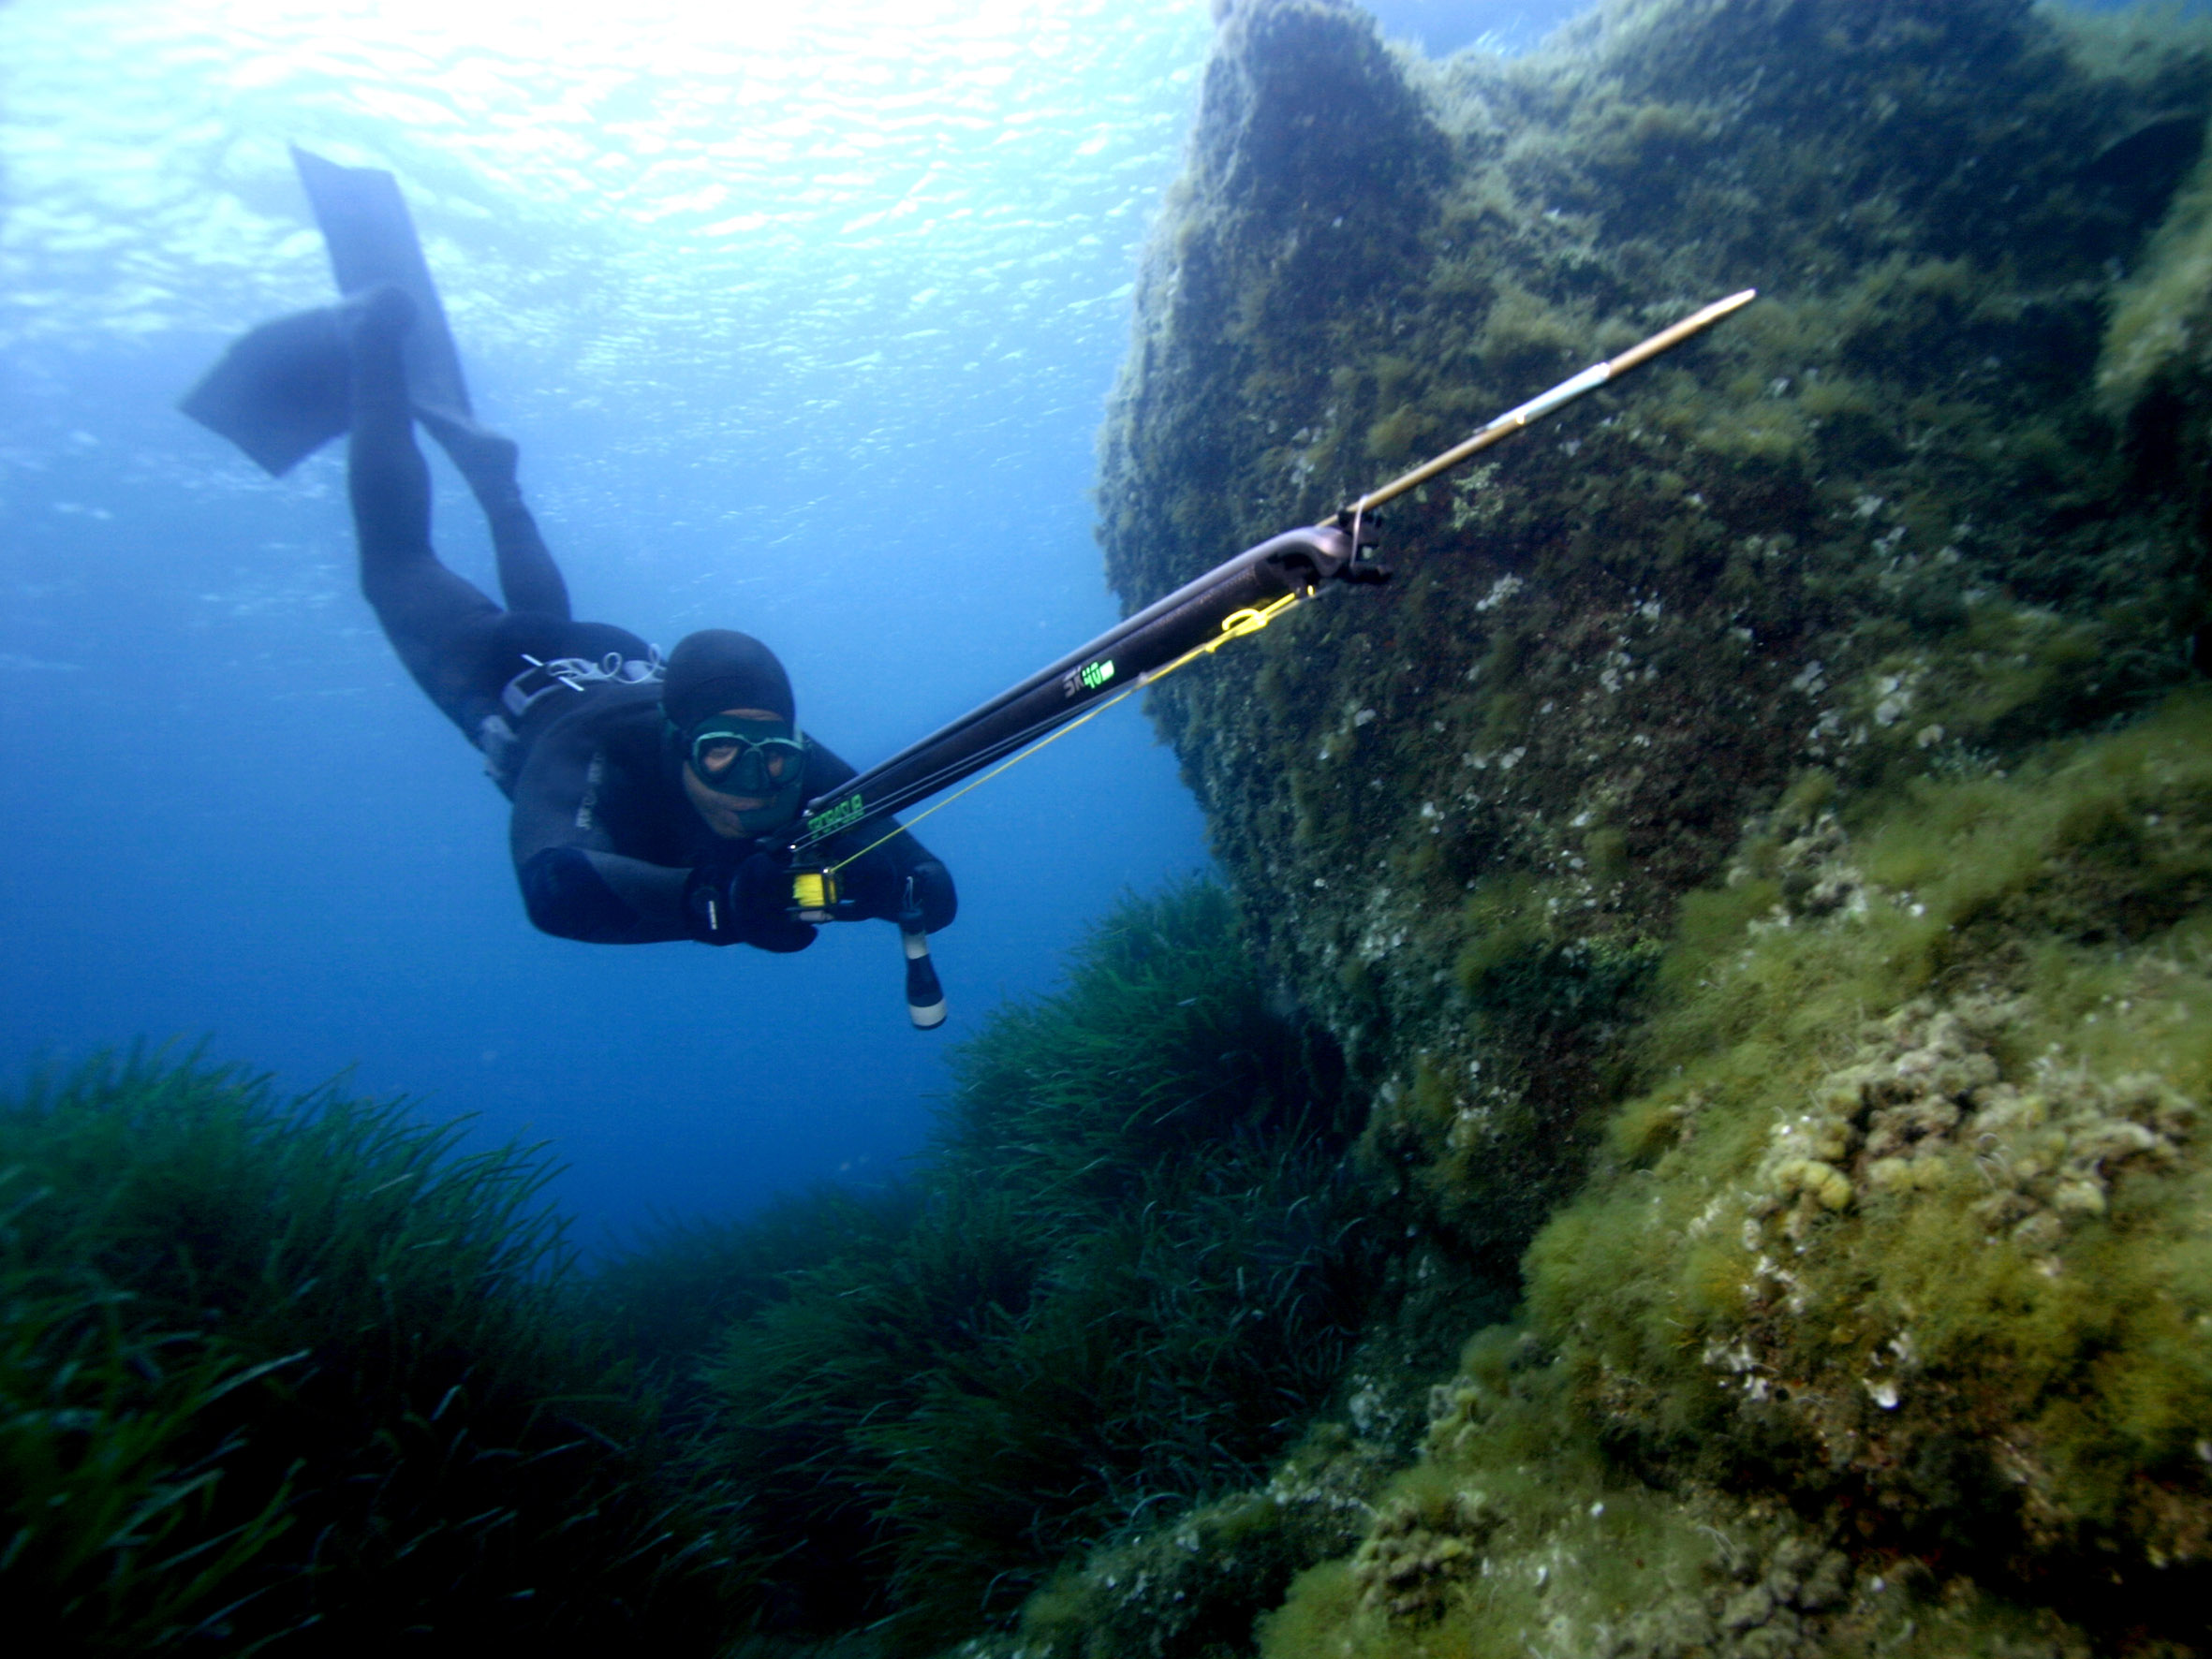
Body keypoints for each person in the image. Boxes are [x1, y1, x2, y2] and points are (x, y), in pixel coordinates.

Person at [341, 283, 956, 952]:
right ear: (676, 740)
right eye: (720, 754)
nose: (754, 785)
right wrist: (705, 904)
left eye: (776, 757)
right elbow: (556, 886)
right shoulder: (585, 754)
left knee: (530, 609)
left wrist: (910, 880)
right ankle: (376, 352)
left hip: (610, 657)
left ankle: (499, 486)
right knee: (394, 564)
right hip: (499, 669)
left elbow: (896, 843)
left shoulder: (779, 754)